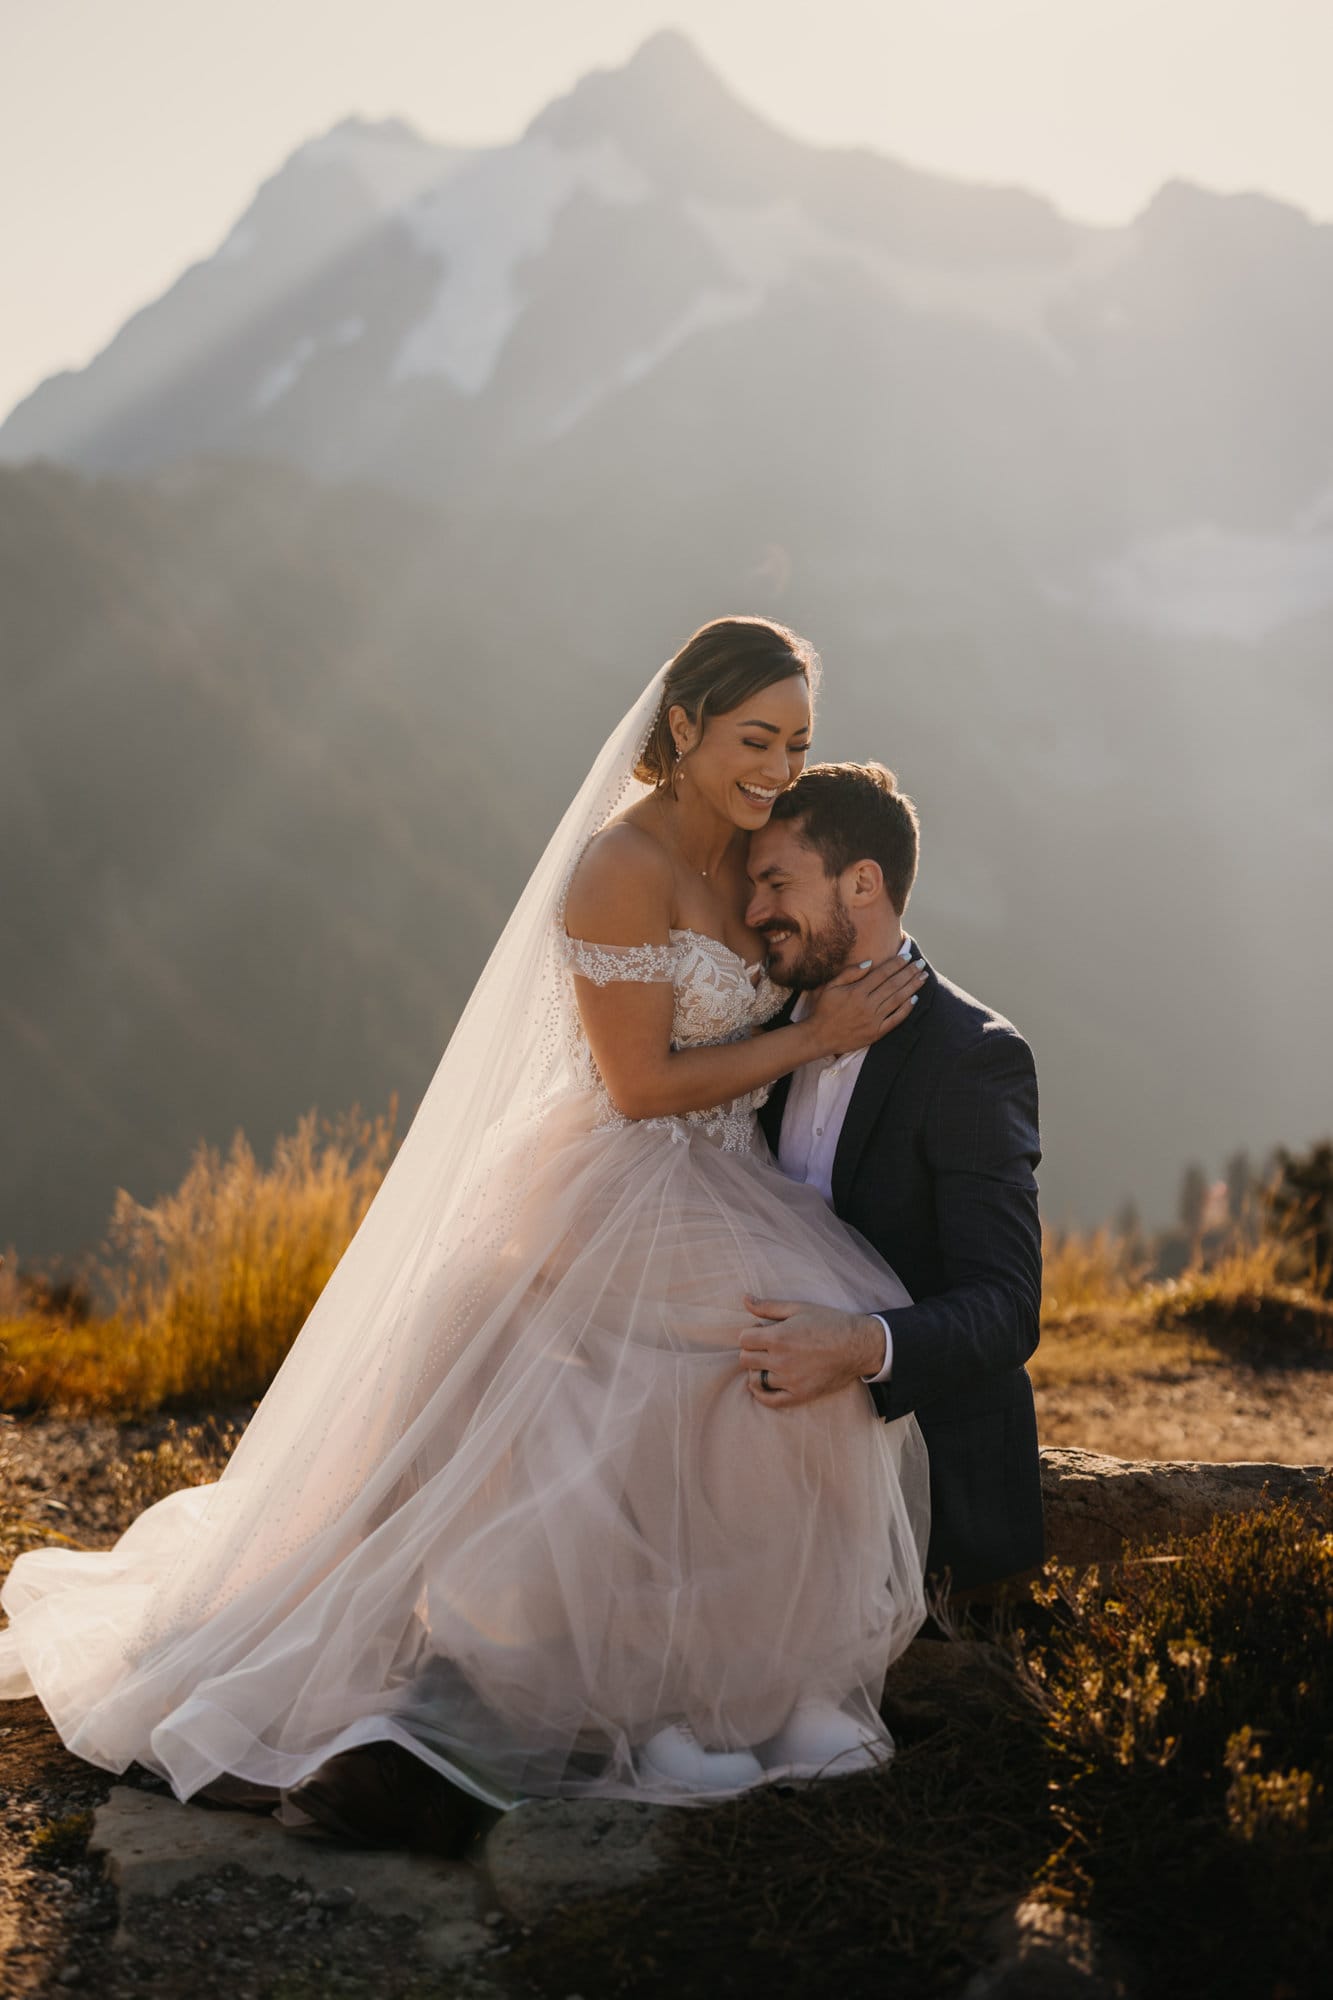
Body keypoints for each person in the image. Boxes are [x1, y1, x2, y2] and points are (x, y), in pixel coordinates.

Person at [0, 617, 931, 1817]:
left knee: (772, 1363)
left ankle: (725, 1689)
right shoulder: (621, 865)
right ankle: (659, 1697)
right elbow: (637, 1082)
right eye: (756, 738)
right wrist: (813, 1040)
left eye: (797, 743)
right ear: (685, 723)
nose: (779, 767)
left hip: (721, 1176)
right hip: (620, 1175)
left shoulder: (760, 845)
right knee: (793, 1325)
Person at [741, 763, 1044, 1602]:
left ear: (862, 883)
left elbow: (1008, 1307)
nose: (754, 911)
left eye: (776, 883)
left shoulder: (971, 1056)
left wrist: (855, 1346)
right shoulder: (754, 1034)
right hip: (755, 1488)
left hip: (927, 1496)